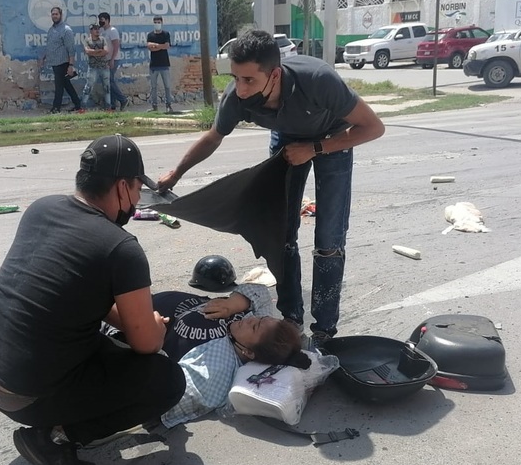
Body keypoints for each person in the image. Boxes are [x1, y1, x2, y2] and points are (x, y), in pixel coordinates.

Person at [0, 134, 185, 465]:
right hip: (23, 395)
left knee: (104, 342)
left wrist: (129, 322)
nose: (136, 198)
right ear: (122, 187)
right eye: (135, 188)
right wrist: (153, 327)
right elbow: (147, 344)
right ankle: (55, 438)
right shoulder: (121, 248)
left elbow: (73, 292)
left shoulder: (43, 207)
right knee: (166, 380)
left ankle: (55, 420)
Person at [156, 29, 386, 346]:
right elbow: (213, 137)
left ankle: (324, 331)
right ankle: (291, 319)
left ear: (274, 74)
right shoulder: (237, 97)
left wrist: (316, 148)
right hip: (286, 140)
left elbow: (373, 127)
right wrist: (176, 173)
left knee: (329, 240)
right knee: (281, 234)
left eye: (249, 79)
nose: (240, 88)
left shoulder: (318, 80)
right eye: (235, 78)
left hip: (332, 138)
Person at [149, 283, 310, 428]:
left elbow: (168, 394)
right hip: (150, 301)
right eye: (262, 317)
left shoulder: (219, 366)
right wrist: (233, 304)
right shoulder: (255, 324)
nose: (251, 319)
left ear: (249, 352)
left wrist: (153, 340)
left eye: (254, 327)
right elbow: (259, 292)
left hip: (139, 325)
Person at [40, 6, 84, 113]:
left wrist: (71, 65)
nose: (54, 16)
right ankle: (78, 105)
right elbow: (50, 46)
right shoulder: (51, 30)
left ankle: (56, 109)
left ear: (61, 15)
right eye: (53, 14)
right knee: (66, 85)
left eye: (56, 14)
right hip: (54, 62)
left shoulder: (66, 30)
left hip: (63, 62)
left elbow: (71, 49)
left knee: (59, 86)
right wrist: (43, 58)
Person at [98, 12, 128, 111]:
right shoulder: (102, 31)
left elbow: (116, 46)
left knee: (109, 81)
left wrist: (112, 60)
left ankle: (123, 100)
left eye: (102, 20)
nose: (100, 22)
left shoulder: (113, 30)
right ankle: (112, 104)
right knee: (108, 82)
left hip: (113, 59)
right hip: (105, 59)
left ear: (107, 20)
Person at [146, 15, 175, 113]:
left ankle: (168, 106)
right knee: (153, 87)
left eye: (159, 22)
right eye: (155, 22)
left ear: (161, 23)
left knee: (167, 86)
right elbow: (149, 47)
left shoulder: (166, 34)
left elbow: (167, 46)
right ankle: (154, 106)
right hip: (153, 65)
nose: (157, 24)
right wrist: (160, 46)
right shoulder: (150, 35)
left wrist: (156, 46)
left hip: (164, 64)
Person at [83, 23, 111, 109]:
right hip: (93, 67)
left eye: (98, 28)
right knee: (88, 87)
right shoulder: (87, 41)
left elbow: (106, 51)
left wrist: (94, 52)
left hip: (104, 67)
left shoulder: (103, 39)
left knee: (107, 87)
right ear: (91, 31)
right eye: (95, 29)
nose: (97, 30)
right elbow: (87, 52)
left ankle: (108, 107)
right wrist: (99, 51)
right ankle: (82, 107)